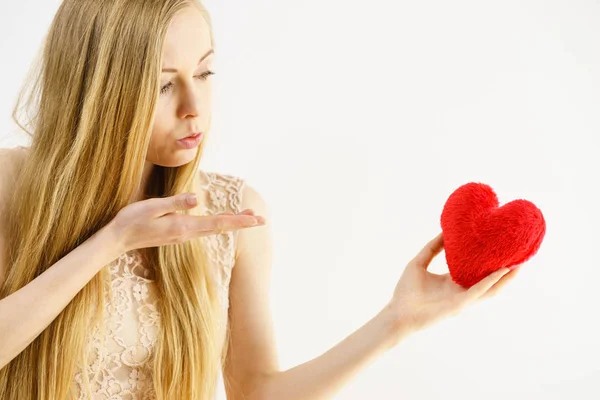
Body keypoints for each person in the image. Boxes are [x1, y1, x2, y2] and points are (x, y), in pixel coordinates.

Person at [0, 0, 520, 399]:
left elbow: (258, 391)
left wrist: (397, 321)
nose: (193, 107)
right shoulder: (11, 184)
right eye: (162, 86)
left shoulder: (233, 210)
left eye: (204, 74)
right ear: (98, 91)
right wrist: (111, 242)